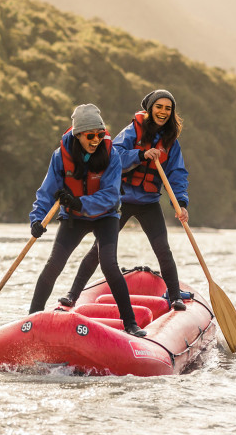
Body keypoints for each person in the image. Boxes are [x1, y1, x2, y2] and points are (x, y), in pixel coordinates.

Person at [59, 90, 189, 312]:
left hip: (149, 202)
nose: (163, 112)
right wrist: (141, 155)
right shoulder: (133, 131)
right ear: (150, 109)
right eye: (159, 107)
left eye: (168, 108)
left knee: (163, 250)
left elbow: (177, 174)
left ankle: (175, 296)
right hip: (121, 200)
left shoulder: (170, 142)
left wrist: (181, 203)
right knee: (99, 249)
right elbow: (114, 155)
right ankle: (72, 295)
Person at [28, 103, 147, 337]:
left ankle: (130, 323)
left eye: (100, 135)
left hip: (106, 216)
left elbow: (111, 195)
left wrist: (79, 203)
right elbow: (46, 192)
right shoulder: (60, 157)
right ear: (77, 134)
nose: (96, 140)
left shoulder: (111, 155)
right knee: (54, 265)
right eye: (90, 135)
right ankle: (32, 318)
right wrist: (37, 220)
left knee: (109, 266)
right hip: (74, 218)